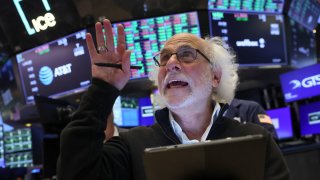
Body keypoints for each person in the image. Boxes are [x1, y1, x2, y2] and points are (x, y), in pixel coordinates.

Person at [57, 19, 291, 180]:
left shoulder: (255, 139)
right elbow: (74, 173)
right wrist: (102, 88)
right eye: (165, 57)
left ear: (215, 77)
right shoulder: (132, 145)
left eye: (187, 55)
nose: (170, 63)